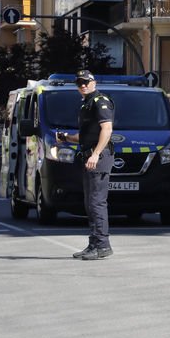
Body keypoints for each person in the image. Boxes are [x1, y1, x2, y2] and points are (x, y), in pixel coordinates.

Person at [59, 70, 116, 261]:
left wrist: (96, 153)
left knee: (97, 203)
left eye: (85, 82)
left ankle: (102, 245)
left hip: (98, 156)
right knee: (90, 203)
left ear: (93, 82)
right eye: (79, 83)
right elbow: (83, 137)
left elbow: (107, 129)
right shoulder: (86, 103)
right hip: (89, 155)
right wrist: (66, 137)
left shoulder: (100, 101)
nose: (82, 85)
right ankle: (93, 243)